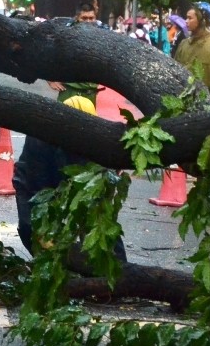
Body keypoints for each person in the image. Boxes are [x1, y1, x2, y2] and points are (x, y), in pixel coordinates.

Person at [12, 95, 127, 261]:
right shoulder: (40, 139)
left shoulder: (96, 136)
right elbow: (39, 187)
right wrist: (44, 231)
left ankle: (120, 272)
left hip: (79, 182)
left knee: (102, 227)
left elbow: (114, 156)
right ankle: (49, 265)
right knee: (30, 228)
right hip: (32, 184)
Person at [174, 1, 210, 98]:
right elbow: (174, 73)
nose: (186, 21)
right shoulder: (183, 44)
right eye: (186, 18)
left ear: (203, 21)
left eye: (190, 18)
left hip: (207, 106)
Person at [47, 1, 100, 107]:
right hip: (70, 93)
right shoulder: (67, 36)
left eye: (91, 18)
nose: (88, 21)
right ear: (77, 18)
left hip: (91, 94)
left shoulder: (100, 37)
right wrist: (49, 79)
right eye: (84, 18)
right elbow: (46, 54)